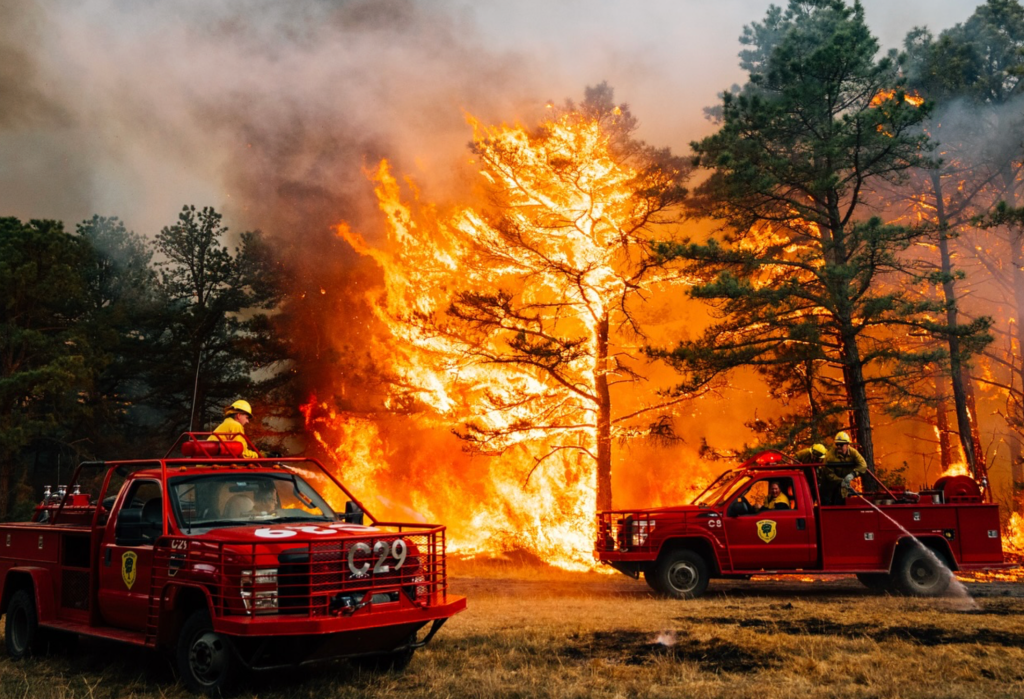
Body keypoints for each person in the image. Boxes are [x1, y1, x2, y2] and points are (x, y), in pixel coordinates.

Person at [819, 431, 868, 505]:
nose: (838, 446)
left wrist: (852, 474)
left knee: (841, 504)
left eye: (841, 444)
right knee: (827, 507)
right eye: (837, 444)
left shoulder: (853, 453)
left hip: (842, 488)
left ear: (847, 445)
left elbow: (863, 465)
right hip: (829, 487)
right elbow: (829, 474)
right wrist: (842, 481)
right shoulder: (830, 456)